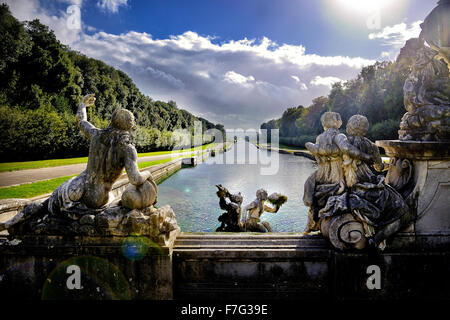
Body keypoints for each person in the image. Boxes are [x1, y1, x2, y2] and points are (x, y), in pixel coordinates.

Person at [0, 94, 156, 231]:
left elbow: (81, 121)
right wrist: (149, 174)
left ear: (112, 122)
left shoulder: (96, 135)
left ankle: (11, 222)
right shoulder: (127, 148)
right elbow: (135, 179)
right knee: (116, 201)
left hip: (77, 186)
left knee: (44, 204)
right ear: (131, 126)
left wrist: (83, 105)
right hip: (97, 199)